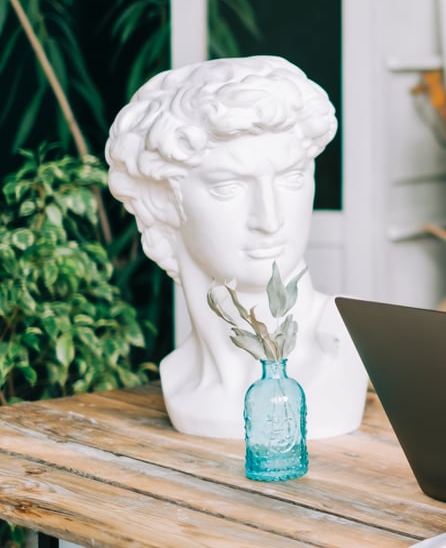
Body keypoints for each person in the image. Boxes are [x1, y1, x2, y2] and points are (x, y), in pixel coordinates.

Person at [105, 55, 367, 439]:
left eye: (291, 178)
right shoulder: (178, 375)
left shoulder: (349, 342)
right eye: (228, 187)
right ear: (164, 200)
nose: (270, 218)